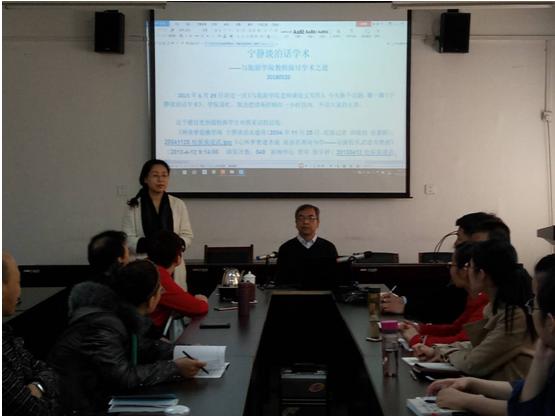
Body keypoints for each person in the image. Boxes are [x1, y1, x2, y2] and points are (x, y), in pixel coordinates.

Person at [49, 260, 206, 415]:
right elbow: (123, 377)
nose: (162, 293)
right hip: (79, 407)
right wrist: (174, 368)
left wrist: (181, 351)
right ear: (151, 299)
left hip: (93, 398)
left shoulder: (118, 316)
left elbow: (142, 347)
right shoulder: (103, 325)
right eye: (160, 290)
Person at [425, 255, 555, 415]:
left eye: (533, 303)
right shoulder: (549, 350)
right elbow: (523, 390)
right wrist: (471, 383)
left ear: (550, 322)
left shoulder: (514, 315)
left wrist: (467, 401)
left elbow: (529, 411)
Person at [413, 239, 535, 381]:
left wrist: (445, 354)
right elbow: (477, 346)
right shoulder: (494, 308)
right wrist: (437, 350)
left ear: (481, 274)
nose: (466, 272)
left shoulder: (514, 316)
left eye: (469, 266)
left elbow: (473, 363)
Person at [381, 212, 509, 323]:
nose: (456, 243)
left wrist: (406, 308)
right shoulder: (465, 281)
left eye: (460, 238)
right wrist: (403, 301)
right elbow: (440, 297)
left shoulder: (495, 294)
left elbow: (450, 313)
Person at [2, 252, 61, 415]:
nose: (19, 291)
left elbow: (49, 372)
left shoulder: (5, 334)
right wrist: (42, 392)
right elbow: (30, 411)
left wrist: (37, 387)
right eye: (18, 283)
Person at [399, 241, 489, 347]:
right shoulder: (475, 298)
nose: (450, 270)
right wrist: (419, 328)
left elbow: (462, 342)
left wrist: (418, 339)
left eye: (451, 265)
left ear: (465, 270)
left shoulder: (486, 303)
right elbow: (454, 329)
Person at [123, 159, 193, 290]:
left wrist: (173, 246)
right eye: (155, 175)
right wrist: (154, 245)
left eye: (164, 175)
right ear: (145, 179)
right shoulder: (134, 206)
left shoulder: (178, 204)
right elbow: (128, 238)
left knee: (174, 298)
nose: (160, 180)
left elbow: (187, 235)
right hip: (144, 264)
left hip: (172, 265)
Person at [147, 230, 209, 330]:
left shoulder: (146, 268)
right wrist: (203, 300)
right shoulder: (158, 276)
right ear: (178, 257)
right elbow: (198, 308)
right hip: (147, 334)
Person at [275, 204, 338, 290]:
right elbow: (280, 282)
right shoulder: (285, 248)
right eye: (301, 218)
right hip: (293, 296)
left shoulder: (329, 247)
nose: (306, 222)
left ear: (318, 223)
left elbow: (335, 280)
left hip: (323, 296)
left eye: (311, 218)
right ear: (296, 223)